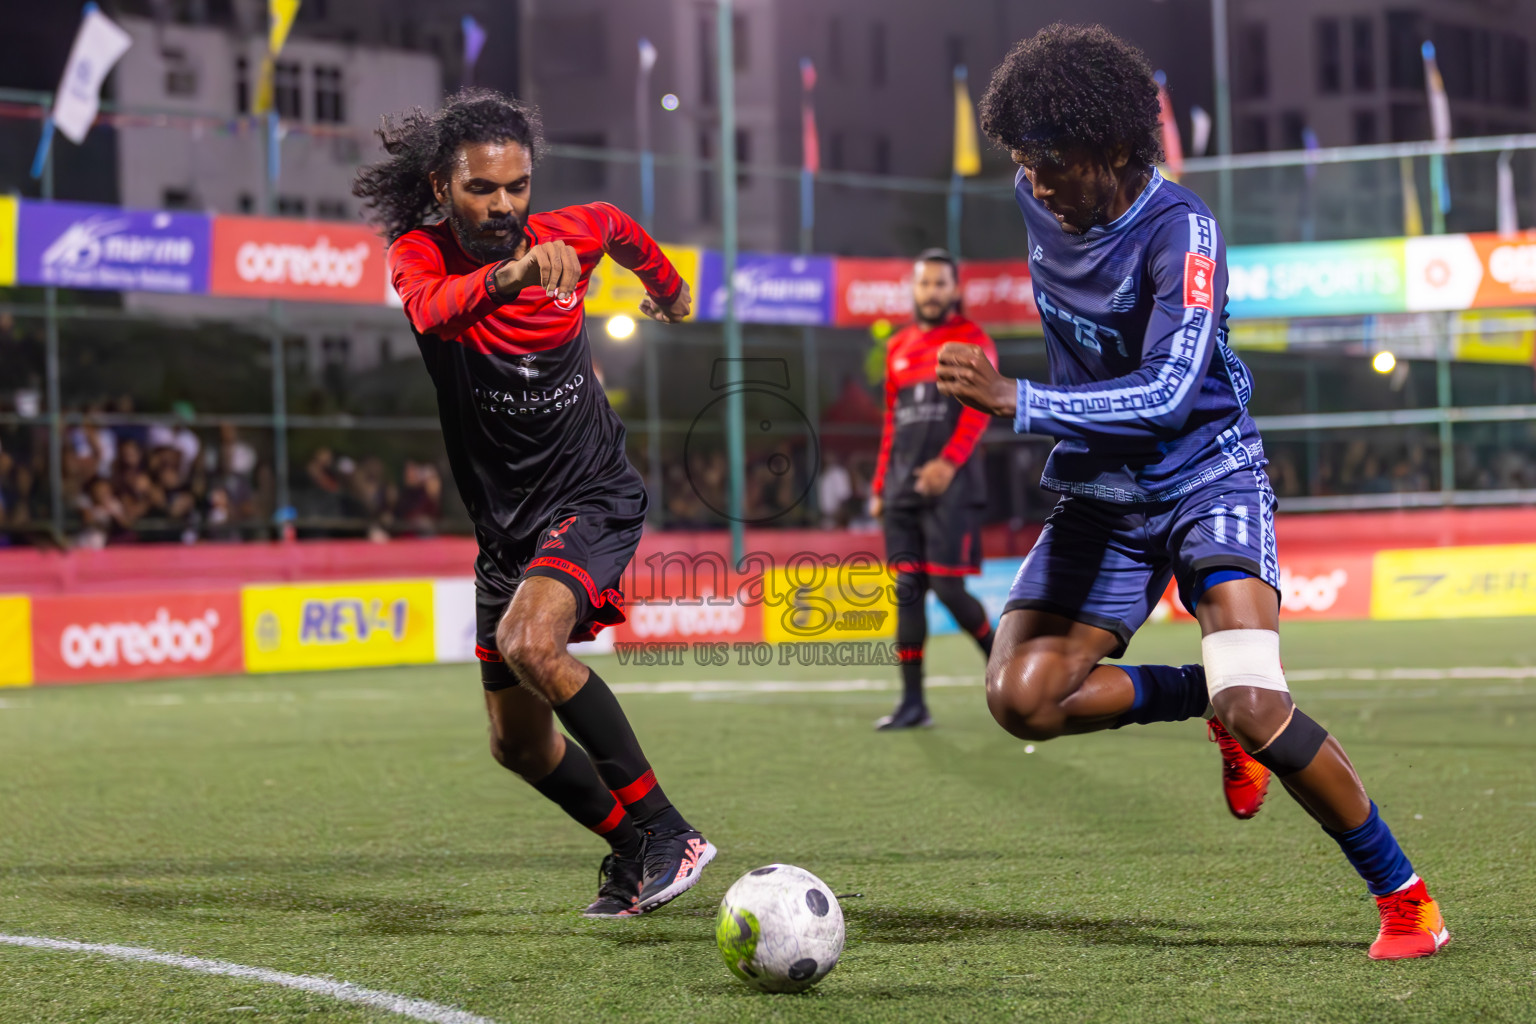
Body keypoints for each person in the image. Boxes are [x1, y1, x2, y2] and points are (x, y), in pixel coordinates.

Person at [935, 25, 1447, 960]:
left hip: (1208, 474)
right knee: (1020, 697)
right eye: (1024, 160)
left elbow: (1172, 392)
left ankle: (1407, 898)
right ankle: (1197, 698)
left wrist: (1018, 396)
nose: (1036, 182)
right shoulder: (1034, 195)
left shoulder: (1184, 232)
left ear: (1118, 148)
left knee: (1258, 702)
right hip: (1101, 494)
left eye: (1052, 161)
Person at [353, 89, 714, 918]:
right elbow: (432, 311)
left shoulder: (569, 234)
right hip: (503, 528)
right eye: (484, 188)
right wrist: (513, 272)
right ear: (444, 186)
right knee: (516, 746)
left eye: (518, 186)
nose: (506, 204)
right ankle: (629, 849)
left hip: (591, 492)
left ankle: (668, 832)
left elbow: (619, 226)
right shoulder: (420, 254)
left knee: (530, 640)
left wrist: (670, 288)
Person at [868, 251, 998, 730]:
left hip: (953, 487)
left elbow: (979, 409)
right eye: (924, 284)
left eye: (941, 284)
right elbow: (891, 421)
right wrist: (881, 484)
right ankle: (912, 704)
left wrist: (947, 463)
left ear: (955, 290)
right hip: (901, 490)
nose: (931, 292)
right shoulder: (898, 345)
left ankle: (1006, 668)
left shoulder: (973, 340)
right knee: (907, 591)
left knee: (947, 588)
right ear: (914, 289)